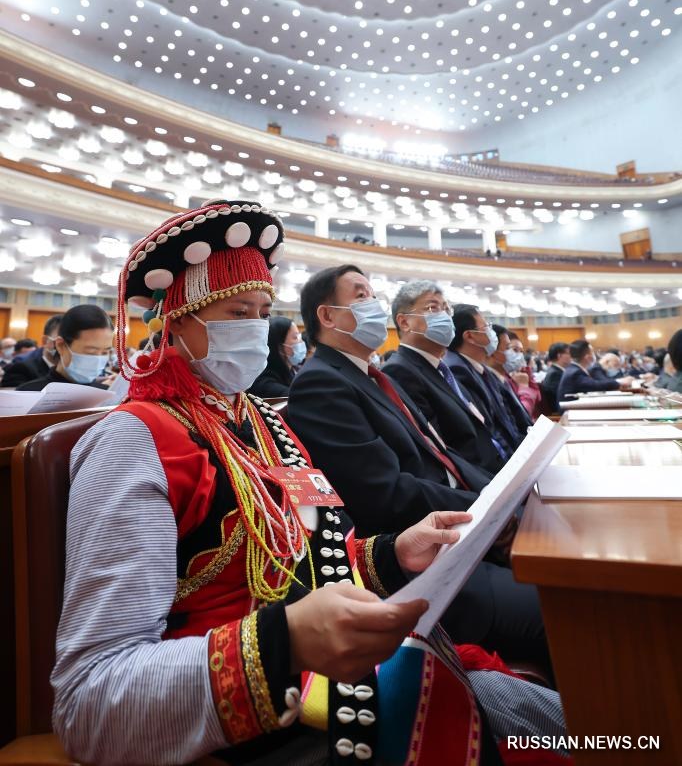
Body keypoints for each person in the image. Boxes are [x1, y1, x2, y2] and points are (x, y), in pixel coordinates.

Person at [52, 202, 566, 766]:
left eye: (262, 310)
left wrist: (394, 553)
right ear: (178, 322)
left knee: (582, 729)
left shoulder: (264, 420)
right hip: (274, 721)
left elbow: (308, 552)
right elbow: (90, 699)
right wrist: (285, 640)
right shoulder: (134, 440)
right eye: (235, 311)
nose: (255, 326)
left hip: (357, 672)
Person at [288, 266, 551, 672]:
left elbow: (441, 453)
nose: (374, 304)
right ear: (327, 316)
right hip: (425, 560)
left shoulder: (368, 376)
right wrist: (484, 510)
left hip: (457, 531)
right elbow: (387, 493)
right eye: (360, 296)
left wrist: (504, 499)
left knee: (571, 572)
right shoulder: (320, 384)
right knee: (564, 606)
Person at [381, 280, 505, 474]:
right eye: (433, 308)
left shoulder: (441, 368)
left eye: (447, 310)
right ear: (404, 322)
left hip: (496, 468)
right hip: (477, 482)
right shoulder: (400, 370)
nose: (445, 316)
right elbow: (441, 450)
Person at [444, 307, 527, 460]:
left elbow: (507, 419)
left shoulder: (480, 368)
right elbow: (489, 429)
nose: (492, 332)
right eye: (486, 327)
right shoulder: (457, 371)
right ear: (470, 336)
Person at [16, 305, 112, 391]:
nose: (98, 360)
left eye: (104, 353)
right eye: (90, 352)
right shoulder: (29, 393)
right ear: (61, 346)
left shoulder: (107, 393)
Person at [556, 339, 632, 404]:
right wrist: (619, 382)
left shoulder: (575, 369)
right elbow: (595, 385)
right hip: (570, 412)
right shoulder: (574, 372)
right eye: (592, 352)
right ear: (587, 357)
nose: (594, 355)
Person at [1, 314, 63, 388]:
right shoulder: (21, 369)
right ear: (45, 341)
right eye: (61, 341)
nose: (67, 347)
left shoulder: (76, 372)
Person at [250, 315, 306, 398]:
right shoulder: (266, 385)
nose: (301, 342)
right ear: (279, 347)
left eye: (299, 336)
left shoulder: (290, 372)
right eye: (295, 337)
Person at [505, 333, 542, 420]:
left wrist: (527, 373)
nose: (520, 355)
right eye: (515, 350)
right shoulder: (502, 378)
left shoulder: (520, 372)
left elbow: (538, 397)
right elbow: (522, 414)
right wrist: (524, 387)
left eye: (521, 351)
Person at [539, 343, 571, 414]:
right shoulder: (555, 374)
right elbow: (564, 397)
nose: (571, 356)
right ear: (559, 356)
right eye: (569, 353)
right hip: (560, 413)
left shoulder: (556, 371)